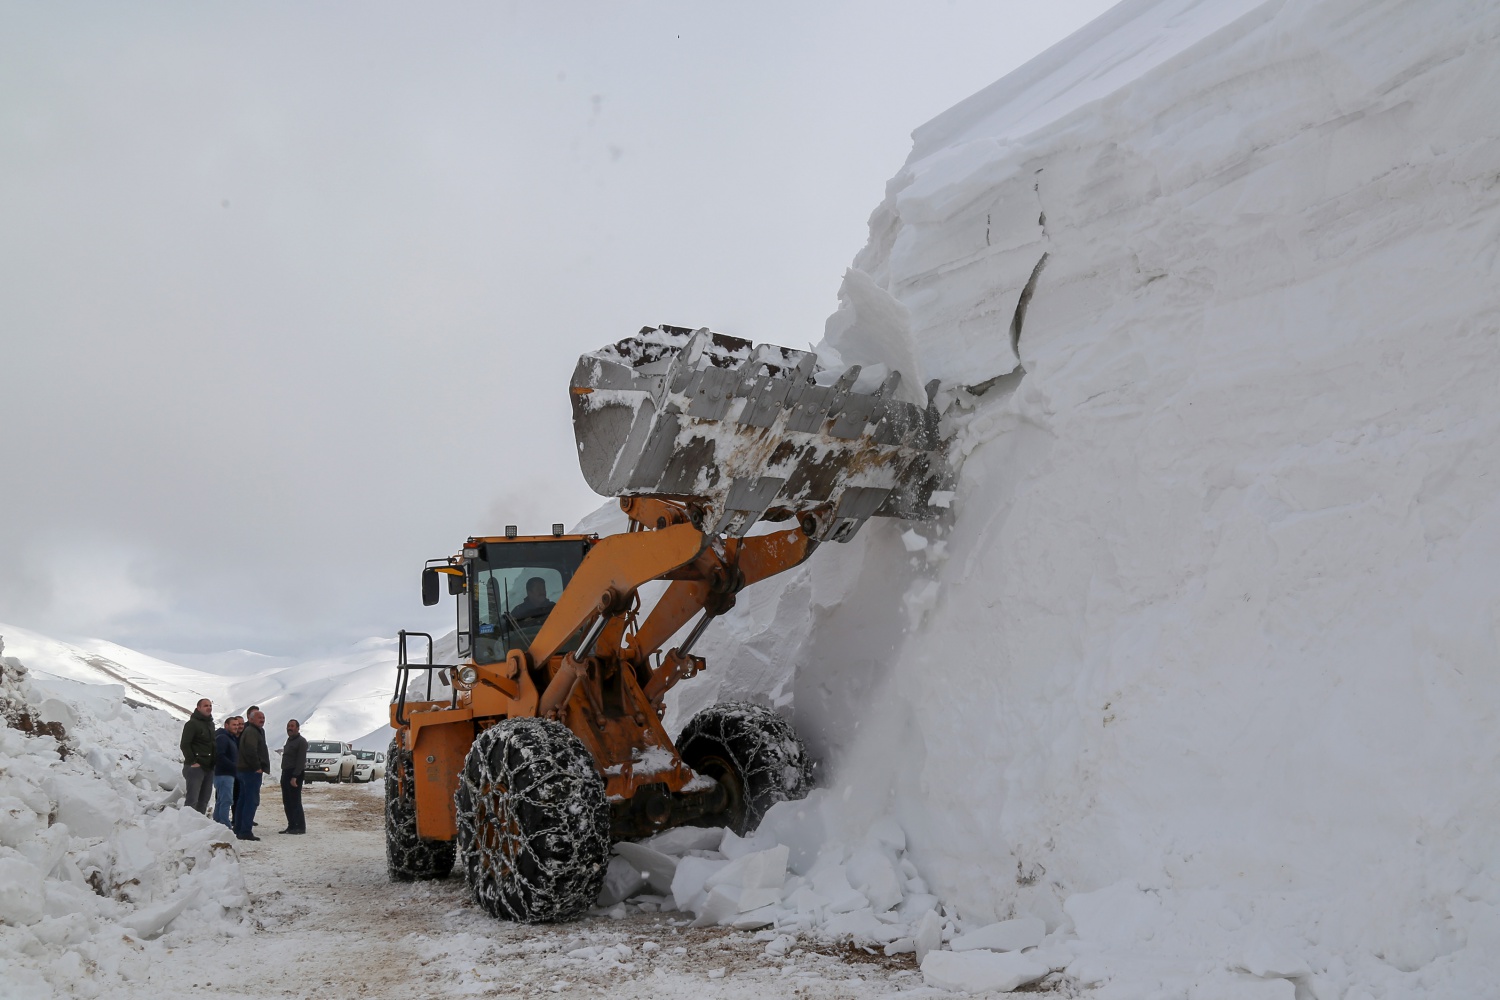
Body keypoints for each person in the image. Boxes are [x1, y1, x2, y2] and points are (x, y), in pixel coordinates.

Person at [234, 709, 271, 841]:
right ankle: (245, 831)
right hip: (250, 771)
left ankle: (239, 828)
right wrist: (257, 767)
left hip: (245, 771)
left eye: (263, 717)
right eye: (259, 717)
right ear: (251, 719)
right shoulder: (251, 732)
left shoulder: (254, 731)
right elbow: (250, 750)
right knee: (251, 801)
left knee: (243, 800)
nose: (262, 720)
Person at [179, 698, 216, 813]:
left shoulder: (210, 724)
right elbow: (185, 744)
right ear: (198, 708)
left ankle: (199, 827)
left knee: (204, 800)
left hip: (208, 768)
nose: (209, 707)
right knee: (192, 801)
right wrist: (193, 762)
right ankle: (187, 826)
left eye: (210, 705)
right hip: (196, 768)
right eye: (205, 705)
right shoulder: (192, 724)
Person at [212, 715, 242, 828]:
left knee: (221, 800)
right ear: (226, 725)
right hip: (224, 774)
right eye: (233, 725)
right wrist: (234, 766)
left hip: (226, 773)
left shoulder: (230, 738)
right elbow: (220, 755)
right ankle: (224, 825)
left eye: (237, 725)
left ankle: (217, 823)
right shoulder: (223, 738)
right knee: (226, 800)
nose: (236, 727)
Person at [280, 719, 308, 835]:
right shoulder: (289, 740)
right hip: (286, 772)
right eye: (288, 726)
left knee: (295, 801)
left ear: (298, 728)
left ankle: (300, 826)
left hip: (295, 774)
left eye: (292, 726)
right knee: (287, 801)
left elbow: (301, 760)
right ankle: (291, 825)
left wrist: (295, 776)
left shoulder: (301, 741)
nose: (289, 728)